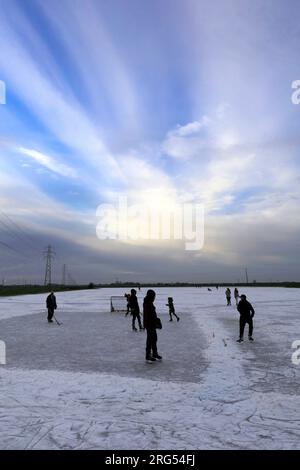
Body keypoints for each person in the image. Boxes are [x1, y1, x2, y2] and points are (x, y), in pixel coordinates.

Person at [143, 289, 162, 363]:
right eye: (154, 296)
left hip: (151, 324)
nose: (154, 298)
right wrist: (155, 321)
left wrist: (156, 320)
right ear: (151, 296)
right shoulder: (148, 303)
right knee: (150, 340)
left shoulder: (149, 302)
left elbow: (152, 314)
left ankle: (154, 353)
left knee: (154, 339)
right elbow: (149, 315)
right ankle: (148, 355)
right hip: (149, 324)